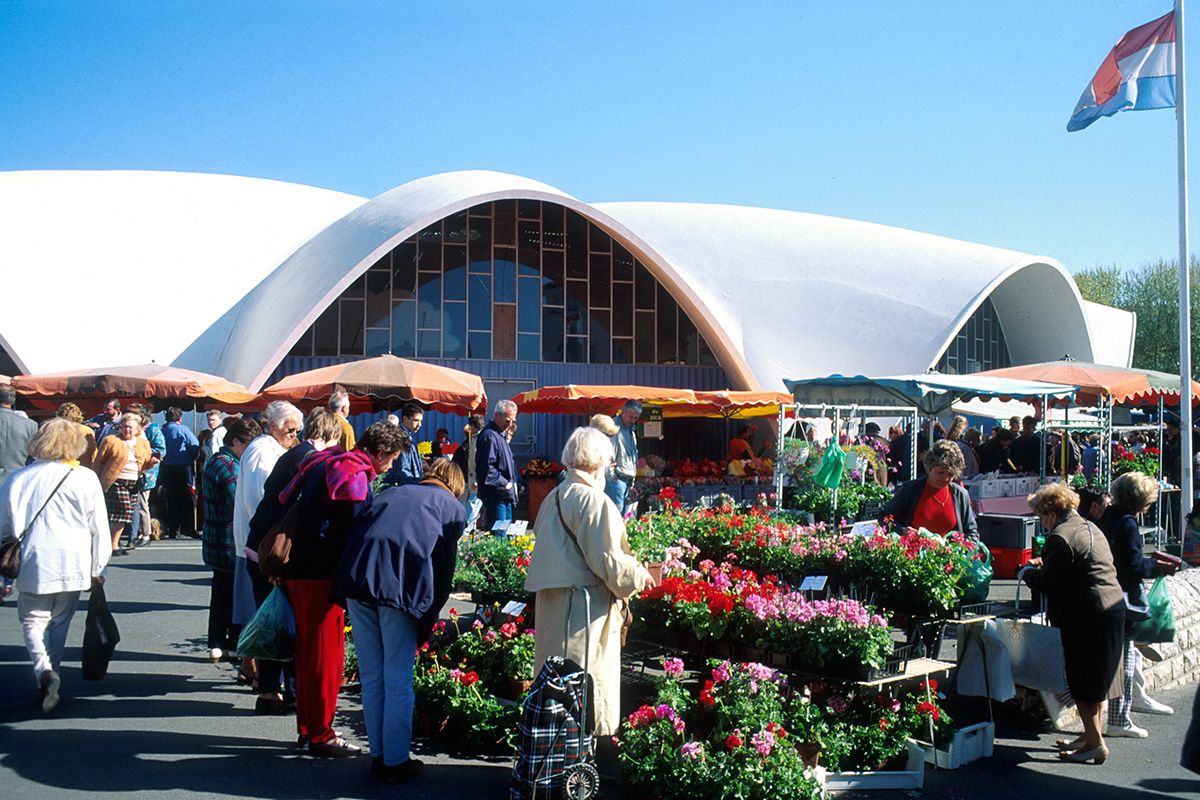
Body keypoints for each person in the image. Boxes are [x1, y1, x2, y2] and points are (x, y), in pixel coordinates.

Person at [524, 426, 658, 778]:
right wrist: (640, 576)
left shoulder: (554, 496)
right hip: (584, 613)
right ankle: (576, 773)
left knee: (556, 691)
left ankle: (554, 767)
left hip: (555, 608)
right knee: (584, 692)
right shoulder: (595, 502)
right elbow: (611, 563)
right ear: (601, 461)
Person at [333, 458, 467, 784]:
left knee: (372, 676)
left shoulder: (393, 492)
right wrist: (428, 619)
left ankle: (379, 756)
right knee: (397, 679)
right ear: (456, 486)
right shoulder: (451, 507)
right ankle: (395, 761)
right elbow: (443, 571)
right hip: (399, 588)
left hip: (357, 581)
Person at [279, 421, 408, 757]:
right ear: (380, 453)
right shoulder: (353, 473)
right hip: (321, 572)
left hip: (300, 568)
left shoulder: (327, 461)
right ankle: (321, 735)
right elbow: (356, 529)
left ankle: (309, 726)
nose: (389, 468)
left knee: (309, 652)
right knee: (327, 656)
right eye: (392, 460)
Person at [0, 418, 110, 714]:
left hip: (33, 560)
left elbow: (3, 527)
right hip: (74, 560)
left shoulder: (18, 479)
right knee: (60, 621)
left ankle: (44, 671)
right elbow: (99, 528)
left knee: (33, 620)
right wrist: (98, 567)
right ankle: (53, 672)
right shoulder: (85, 478)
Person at [246, 407, 344, 715]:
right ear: (331, 435)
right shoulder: (310, 460)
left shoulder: (295, 456)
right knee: (286, 624)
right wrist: (281, 566)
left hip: (262, 547)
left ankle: (270, 692)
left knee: (274, 621)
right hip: (277, 553)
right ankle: (285, 692)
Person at [1022, 483, 1125, 764]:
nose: (1042, 522)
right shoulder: (1090, 527)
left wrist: (1028, 572)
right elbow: (1079, 564)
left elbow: (1050, 583)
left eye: (1042, 516)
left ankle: (1095, 744)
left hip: (1086, 615)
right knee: (1098, 681)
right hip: (1112, 607)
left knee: (1082, 681)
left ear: (1052, 513)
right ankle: (1090, 735)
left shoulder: (1059, 536)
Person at [1096, 472, 1180, 738]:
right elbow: (1133, 566)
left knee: (1112, 659)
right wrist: (1158, 566)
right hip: (1121, 598)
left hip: (1102, 593)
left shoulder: (1106, 517)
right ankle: (1119, 720)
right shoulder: (1128, 523)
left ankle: (1117, 716)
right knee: (1123, 661)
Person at [230, 401, 303, 683]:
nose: (294, 435)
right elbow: (258, 501)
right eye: (290, 429)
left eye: (297, 431)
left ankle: (251, 668)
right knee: (265, 610)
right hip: (261, 546)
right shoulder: (263, 450)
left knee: (261, 609)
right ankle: (260, 674)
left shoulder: (272, 448)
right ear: (273, 425)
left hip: (259, 545)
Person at [200, 417, 261, 664]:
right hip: (228, 539)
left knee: (221, 593)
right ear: (235, 441)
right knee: (234, 594)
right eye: (247, 444)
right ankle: (232, 643)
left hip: (216, 537)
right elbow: (238, 502)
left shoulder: (216, 460)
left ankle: (217, 643)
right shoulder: (228, 465)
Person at [876, 440, 978, 539]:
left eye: (951, 474)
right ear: (929, 468)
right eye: (940, 472)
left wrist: (966, 546)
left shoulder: (960, 494)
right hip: (915, 550)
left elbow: (972, 532)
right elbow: (884, 516)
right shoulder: (909, 490)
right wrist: (902, 531)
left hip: (949, 551)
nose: (945, 478)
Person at [91, 412, 152, 555]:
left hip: (134, 483)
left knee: (124, 514)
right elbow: (98, 461)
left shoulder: (143, 443)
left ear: (137, 429)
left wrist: (153, 462)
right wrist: (94, 479)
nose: (127, 430)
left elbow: (146, 464)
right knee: (123, 511)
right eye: (124, 426)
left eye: (130, 427)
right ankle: (113, 546)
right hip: (115, 481)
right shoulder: (111, 440)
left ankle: (113, 543)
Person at [476, 399, 518, 531]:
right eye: (507, 420)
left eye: (513, 421)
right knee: (499, 535)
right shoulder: (490, 436)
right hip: (496, 495)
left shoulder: (500, 435)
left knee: (506, 535)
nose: (510, 425)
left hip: (504, 495)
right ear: (496, 415)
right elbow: (487, 468)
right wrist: (505, 483)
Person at [126, 403, 165, 546]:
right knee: (136, 503)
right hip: (135, 470)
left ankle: (146, 534)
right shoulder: (136, 429)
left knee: (143, 503)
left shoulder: (153, 429)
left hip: (148, 471)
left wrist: (143, 451)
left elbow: (161, 450)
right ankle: (139, 532)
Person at [160, 407, 201, 539]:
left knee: (171, 499)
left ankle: (173, 528)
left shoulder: (162, 431)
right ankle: (188, 528)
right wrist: (193, 457)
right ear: (179, 418)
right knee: (187, 498)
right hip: (183, 468)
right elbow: (194, 446)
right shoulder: (183, 429)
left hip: (167, 468)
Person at [605, 399, 640, 512]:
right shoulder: (613, 428)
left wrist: (631, 484)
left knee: (621, 518)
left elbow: (633, 458)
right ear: (623, 411)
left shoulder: (631, 431)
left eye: (635, 418)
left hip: (625, 482)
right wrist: (613, 478)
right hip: (616, 482)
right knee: (614, 518)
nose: (632, 420)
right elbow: (607, 457)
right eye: (631, 416)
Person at [0, 383, 37, 488]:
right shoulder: (30, 425)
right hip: (17, 483)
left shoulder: (30, 425)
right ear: (12, 400)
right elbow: (35, 458)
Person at [451, 414, 485, 529]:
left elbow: (476, 461)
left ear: (473, 426)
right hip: (472, 479)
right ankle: (466, 529)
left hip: (474, 479)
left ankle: (463, 531)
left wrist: (475, 480)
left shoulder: (478, 440)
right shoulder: (476, 439)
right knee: (473, 505)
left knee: (472, 506)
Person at [383, 404, 426, 486]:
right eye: (416, 420)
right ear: (405, 419)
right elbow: (403, 471)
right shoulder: (400, 439)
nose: (419, 424)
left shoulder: (408, 438)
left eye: (420, 421)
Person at [55, 402, 96, 468]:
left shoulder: (56, 430)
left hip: (62, 466)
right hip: (83, 467)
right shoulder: (86, 430)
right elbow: (93, 451)